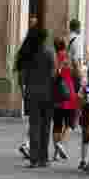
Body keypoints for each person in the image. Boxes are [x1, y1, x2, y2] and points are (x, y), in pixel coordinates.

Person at [19, 27, 56, 168]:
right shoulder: (49, 52)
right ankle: (43, 158)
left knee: (34, 125)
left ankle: (33, 158)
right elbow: (53, 74)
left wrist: (24, 90)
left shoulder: (29, 52)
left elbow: (23, 75)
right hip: (47, 94)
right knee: (46, 126)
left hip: (32, 93)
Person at [52, 36, 79, 162]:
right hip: (69, 94)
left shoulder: (54, 58)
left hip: (56, 94)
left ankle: (56, 153)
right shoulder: (69, 57)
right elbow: (77, 73)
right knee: (69, 124)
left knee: (57, 124)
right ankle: (61, 143)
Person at [67, 19, 84, 91]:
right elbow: (75, 58)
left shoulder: (66, 38)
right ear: (77, 28)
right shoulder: (77, 39)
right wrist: (79, 73)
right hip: (73, 71)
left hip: (66, 70)